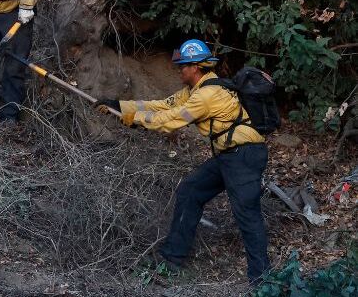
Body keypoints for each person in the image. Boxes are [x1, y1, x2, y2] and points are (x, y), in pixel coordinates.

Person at [95, 39, 270, 284]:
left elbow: (171, 120)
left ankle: (262, 281)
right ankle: (172, 258)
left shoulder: (206, 96)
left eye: (183, 66)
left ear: (195, 67)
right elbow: (162, 105)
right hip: (229, 156)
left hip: (243, 157)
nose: (179, 70)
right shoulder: (197, 89)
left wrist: (136, 119)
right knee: (190, 191)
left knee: (247, 215)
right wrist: (121, 106)